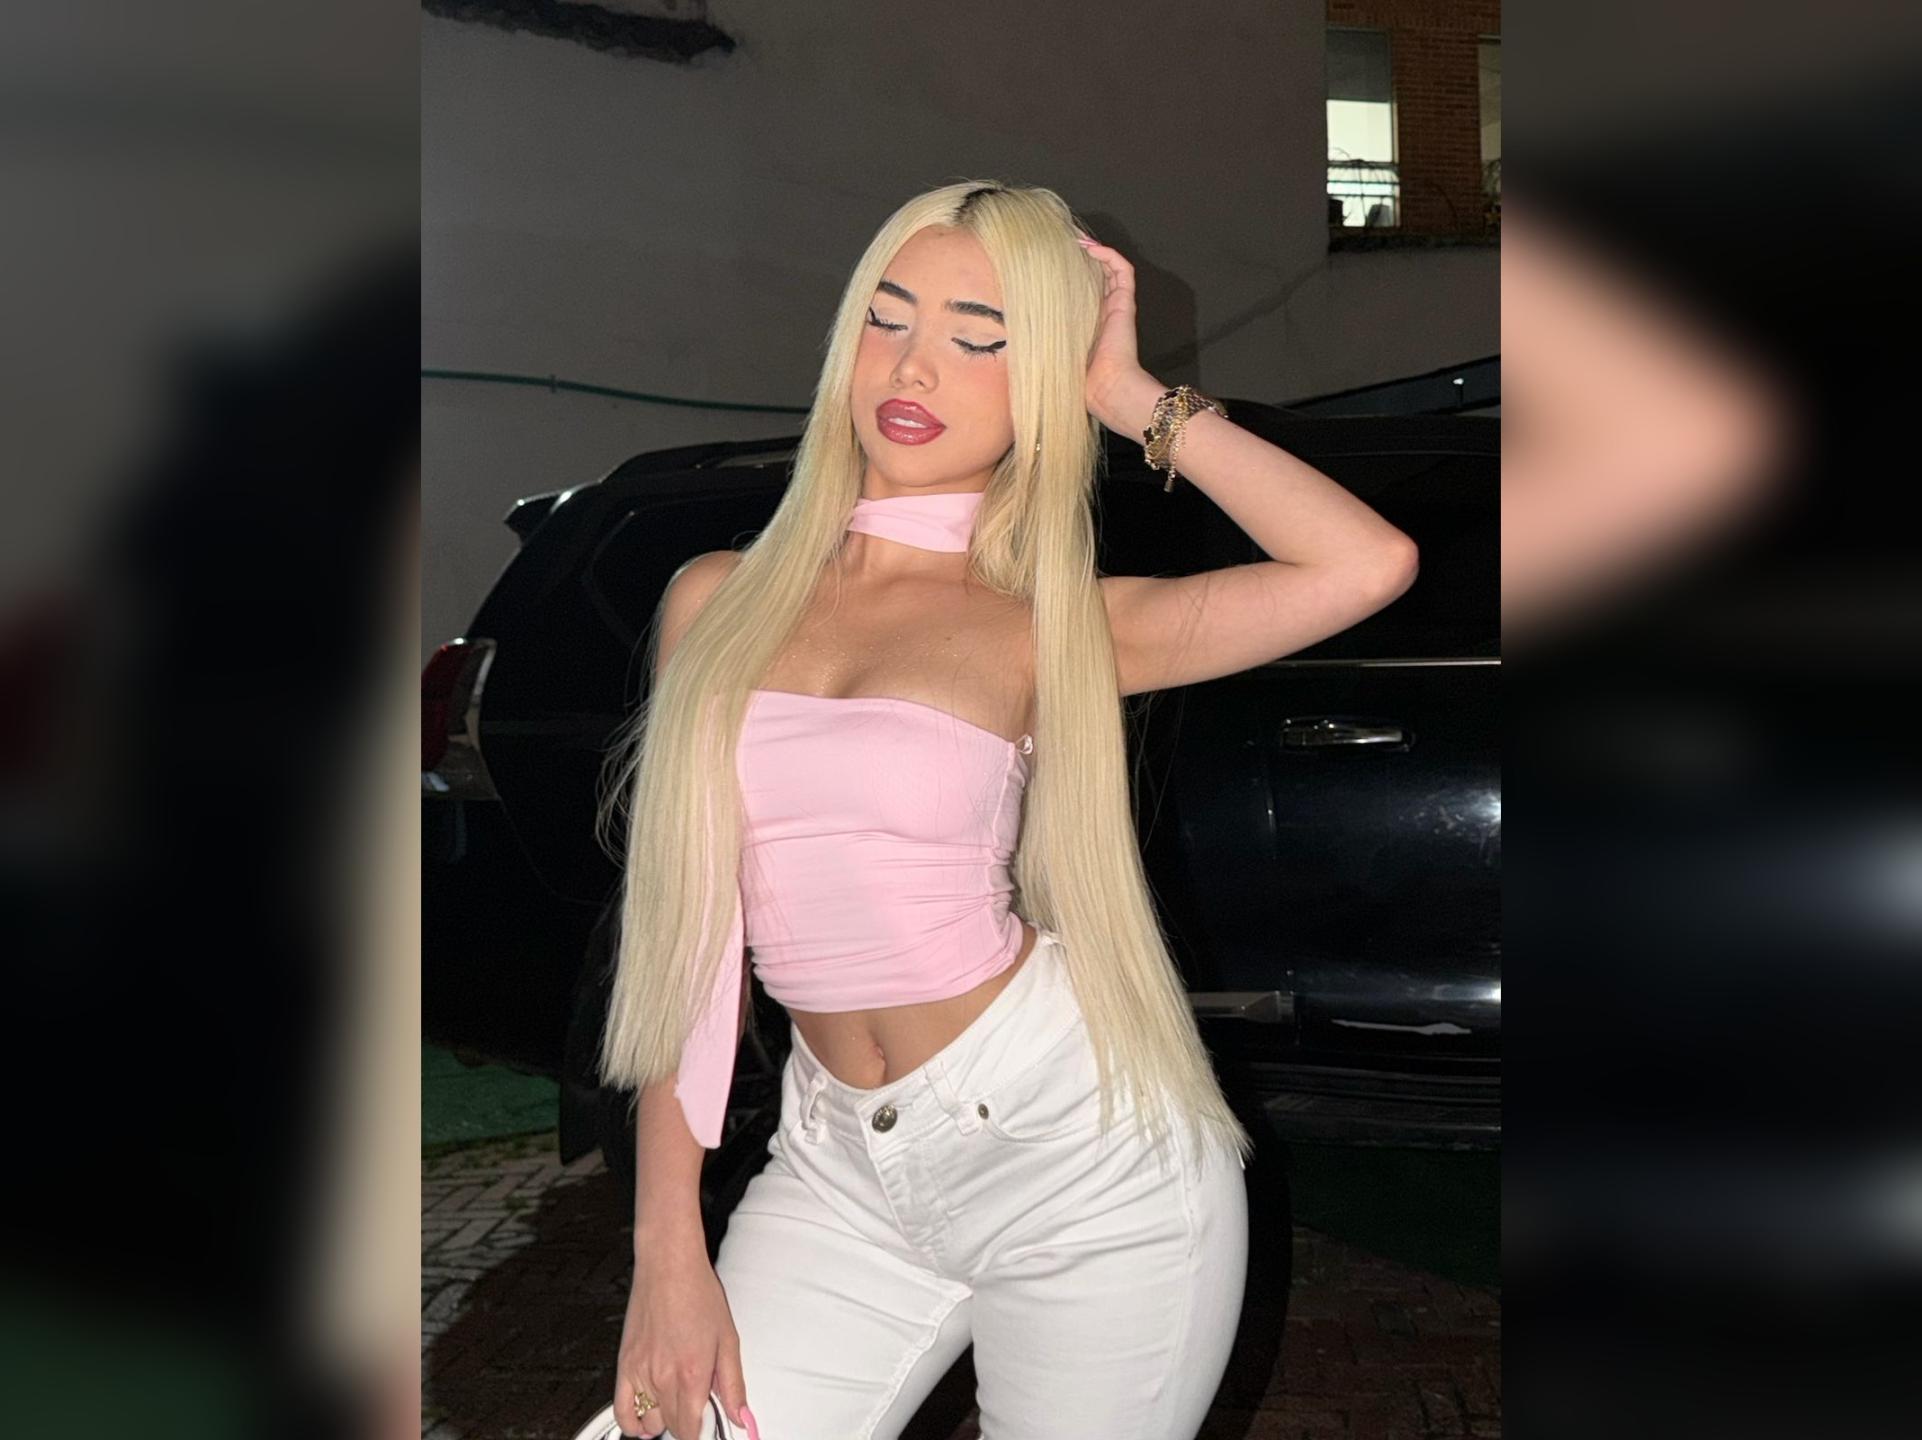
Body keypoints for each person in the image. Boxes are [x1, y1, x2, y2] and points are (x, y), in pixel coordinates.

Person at [593, 181, 1419, 1440]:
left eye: (982, 339)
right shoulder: (715, 598)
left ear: (1042, 381)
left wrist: (1128, 395)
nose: (913, 365)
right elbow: (683, 951)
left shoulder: (1054, 621)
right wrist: (666, 1255)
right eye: (886, 319)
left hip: (1079, 1156)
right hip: (835, 1163)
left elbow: (1366, 564)